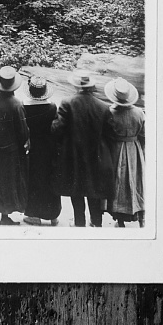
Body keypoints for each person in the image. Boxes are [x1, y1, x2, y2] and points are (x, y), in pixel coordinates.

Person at [51, 70, 115, 227]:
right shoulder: (103, 107)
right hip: (96, 156)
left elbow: (57, 130)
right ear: (91, 87)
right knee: (94, 191)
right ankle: (96, 223)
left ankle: (79, 223)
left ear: (76, 87)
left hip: (73, 155)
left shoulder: (67, 103)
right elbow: (110, 135)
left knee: (76, 190)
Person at [0, 66, 30, 225]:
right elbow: (22, 132)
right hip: (10, 151)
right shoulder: (16, 104)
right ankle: (6, 217)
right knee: (7, 182)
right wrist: (24, 145)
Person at [104, 77, 145, 228]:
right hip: (134, 148)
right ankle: (140, 216)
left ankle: (120, 219)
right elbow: (144, 134)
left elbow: (106, 134)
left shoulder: (110, 113)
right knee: (135, 180)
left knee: (119, 182)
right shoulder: (139, 113)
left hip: (116, 149)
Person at [21, 75, 62, 226]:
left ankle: (34, 214)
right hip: (49, 148)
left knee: (34, 180)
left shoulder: (25, 107)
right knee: (50, 179)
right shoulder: (52, 107)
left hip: (33, 148)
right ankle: (53, 215)